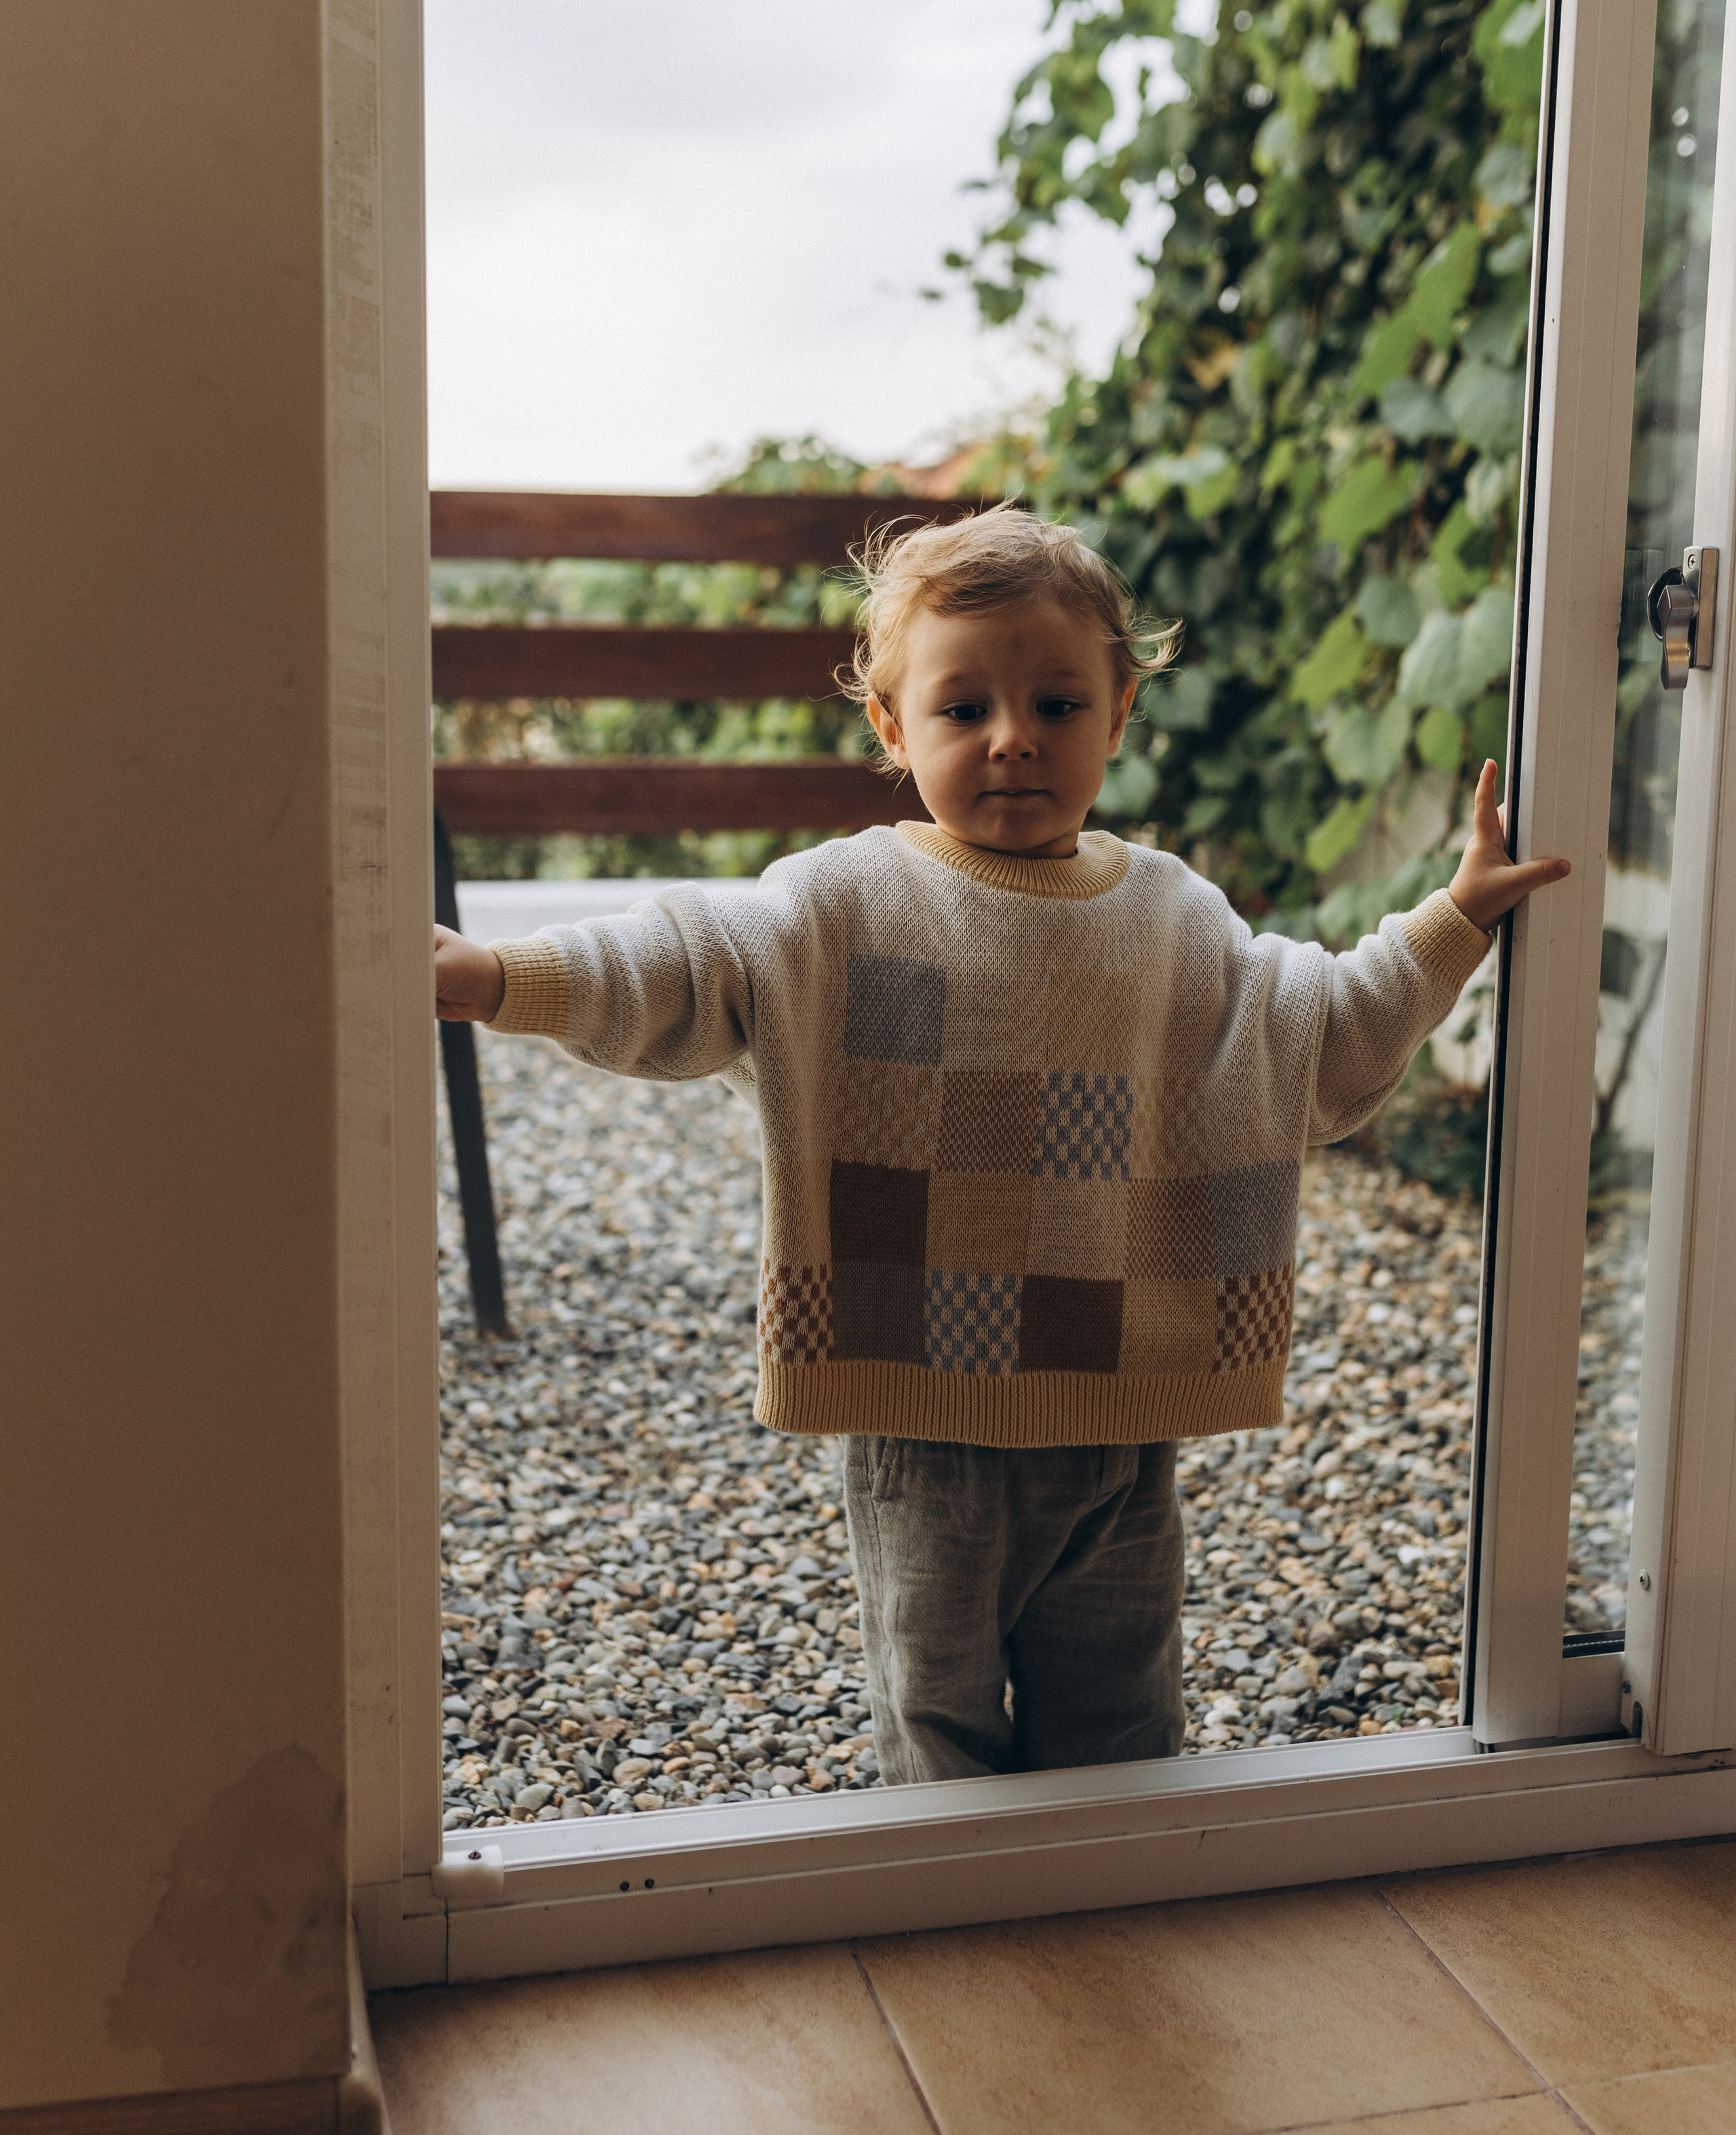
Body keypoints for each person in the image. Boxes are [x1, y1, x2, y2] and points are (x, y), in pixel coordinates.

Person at [433, 507, 1569, 1784]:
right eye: (964, 709)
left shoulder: (1173, 921)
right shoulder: (842, 905)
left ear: (1121, 713)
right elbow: (680, 964)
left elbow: (1315, 1039)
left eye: (1057, 703)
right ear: (892, 728)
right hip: (924, 1420)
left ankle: (1098, 1939)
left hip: (1118, 1423)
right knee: (938, 1731)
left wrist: (1455, 918)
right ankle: (964, 1959)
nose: (1013, 738)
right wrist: (499, 977)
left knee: (1123, 1728)